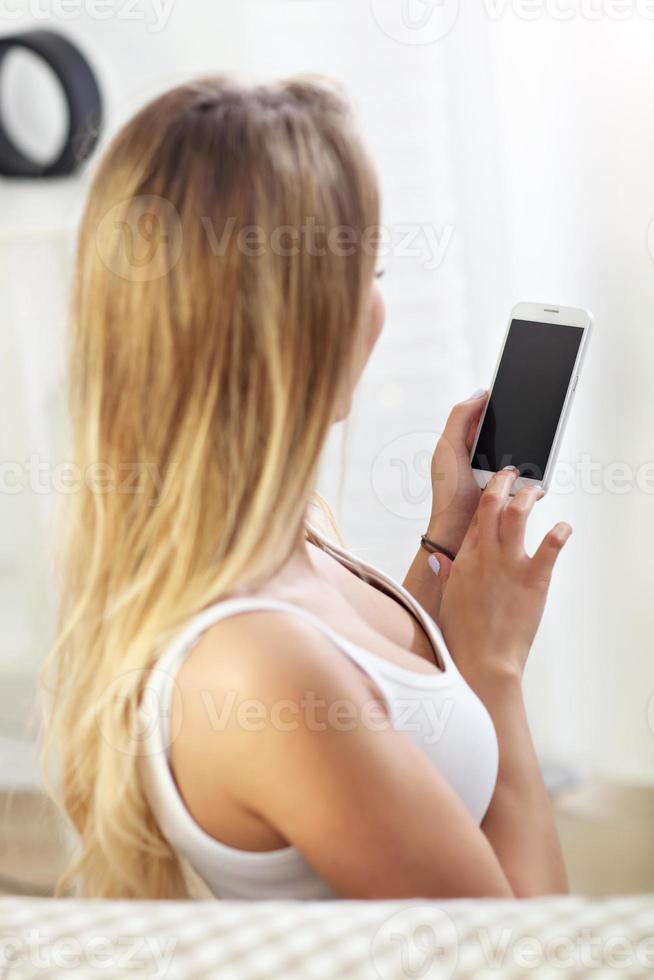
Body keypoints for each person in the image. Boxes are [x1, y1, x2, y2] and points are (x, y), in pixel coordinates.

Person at [44, 77, 571, 900]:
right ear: (296, 329)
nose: (381, 309)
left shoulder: (285, 543)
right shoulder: (263, 673)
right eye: (369, 268)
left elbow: (384, 706)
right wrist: (494, 669)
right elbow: (531, 960)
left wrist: (443, 550)